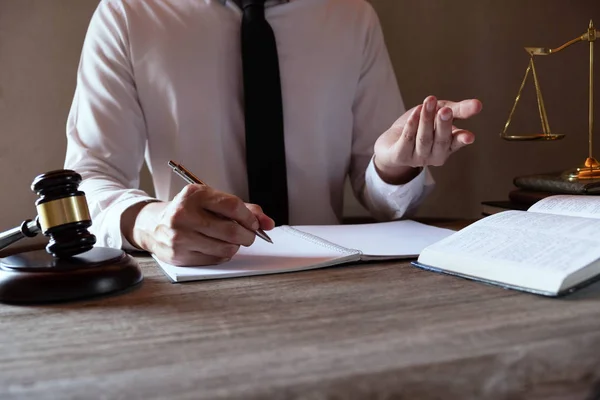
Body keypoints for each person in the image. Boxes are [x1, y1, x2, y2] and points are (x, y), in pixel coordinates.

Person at [64, 0, 482, 266]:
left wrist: (394, 168)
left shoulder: (352, 15)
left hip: (337, 278)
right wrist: (148, 223)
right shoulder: (127, 13)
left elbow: (385, 203)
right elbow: (87, 179)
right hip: (202, 282)